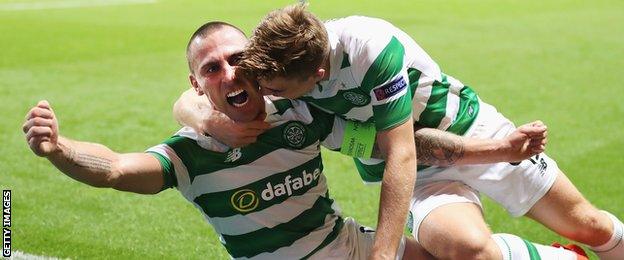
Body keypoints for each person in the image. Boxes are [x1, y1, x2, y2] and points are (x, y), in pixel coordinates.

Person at [231, 4, 623, 260]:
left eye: (276, 91)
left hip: (473, 131)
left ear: (317, 76)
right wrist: (203, 118)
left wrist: (382, 255)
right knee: (466, 248)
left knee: (590, 225)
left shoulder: (368, 47)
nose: (267, 97)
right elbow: (203, 97)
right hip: (418, 173)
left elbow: (401, 151)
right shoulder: (278, 63)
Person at [21, 22, 438, 260]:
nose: (231, 74)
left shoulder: (301, 113)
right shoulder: (191, 154)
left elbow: (384, 145)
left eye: (238, 60)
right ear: (196, 85)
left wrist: (496, 151)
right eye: (212, 68)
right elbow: (114, 168)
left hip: (350, 247)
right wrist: (60, 149)